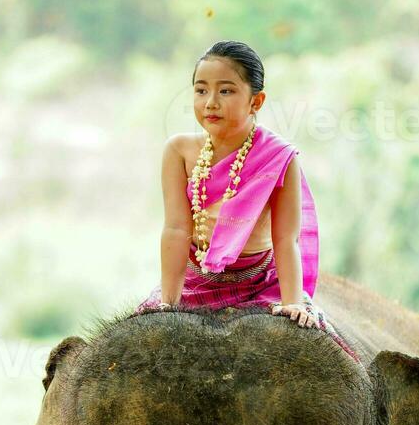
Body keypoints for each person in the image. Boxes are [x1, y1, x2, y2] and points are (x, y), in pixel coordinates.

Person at [132, 40, 350, 350]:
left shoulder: (278, 157)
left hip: (258, 283)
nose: (210, 102)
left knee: (323, 348)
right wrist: (169, 303)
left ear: (256, 101)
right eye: (201, 90)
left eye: (226, 91)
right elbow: (177, 229)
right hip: (197, 281)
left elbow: (286, 239)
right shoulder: (179, 151)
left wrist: (293, 303)